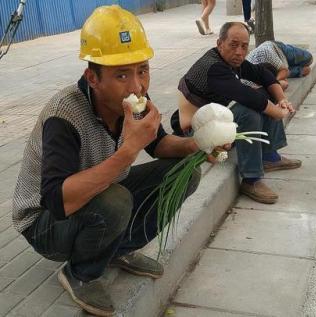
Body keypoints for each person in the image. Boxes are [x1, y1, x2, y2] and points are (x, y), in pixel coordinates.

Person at [11, 6, 209, 316]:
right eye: (121, 74)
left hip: (99, 191)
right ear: (93, 77)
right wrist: (127, 153)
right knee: (116, 200)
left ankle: (118, 249)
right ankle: (80, 272)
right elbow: (57, 200)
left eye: (142, 70)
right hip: (44, 222)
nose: (137, 86)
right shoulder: (63, 116)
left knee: (186, 172)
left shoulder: (136, 102)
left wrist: (197, 144)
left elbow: (159, 145)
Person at [171, 22, 301, 205]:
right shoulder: (213, 67)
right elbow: (246, 96)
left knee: (264, 95)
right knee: (249, 111)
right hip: (196, 134)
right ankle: (251, 180)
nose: (240, 51)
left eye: (244, 46)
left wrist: (281, 99)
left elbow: (263, 74)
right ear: (219, 43)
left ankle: (269, 156)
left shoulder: (232, 60)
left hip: (214, 124)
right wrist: (277, 112)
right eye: (233, 45)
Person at [246, 40, 313, 90]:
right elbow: (285, 84)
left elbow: (284, 72)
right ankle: (286, 70)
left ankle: (285, 68)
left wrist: (274, 82)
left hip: (278, 49)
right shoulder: (248, 81)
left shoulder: (266, 53)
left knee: (308, 59)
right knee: (306, 70)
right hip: (277, 68)